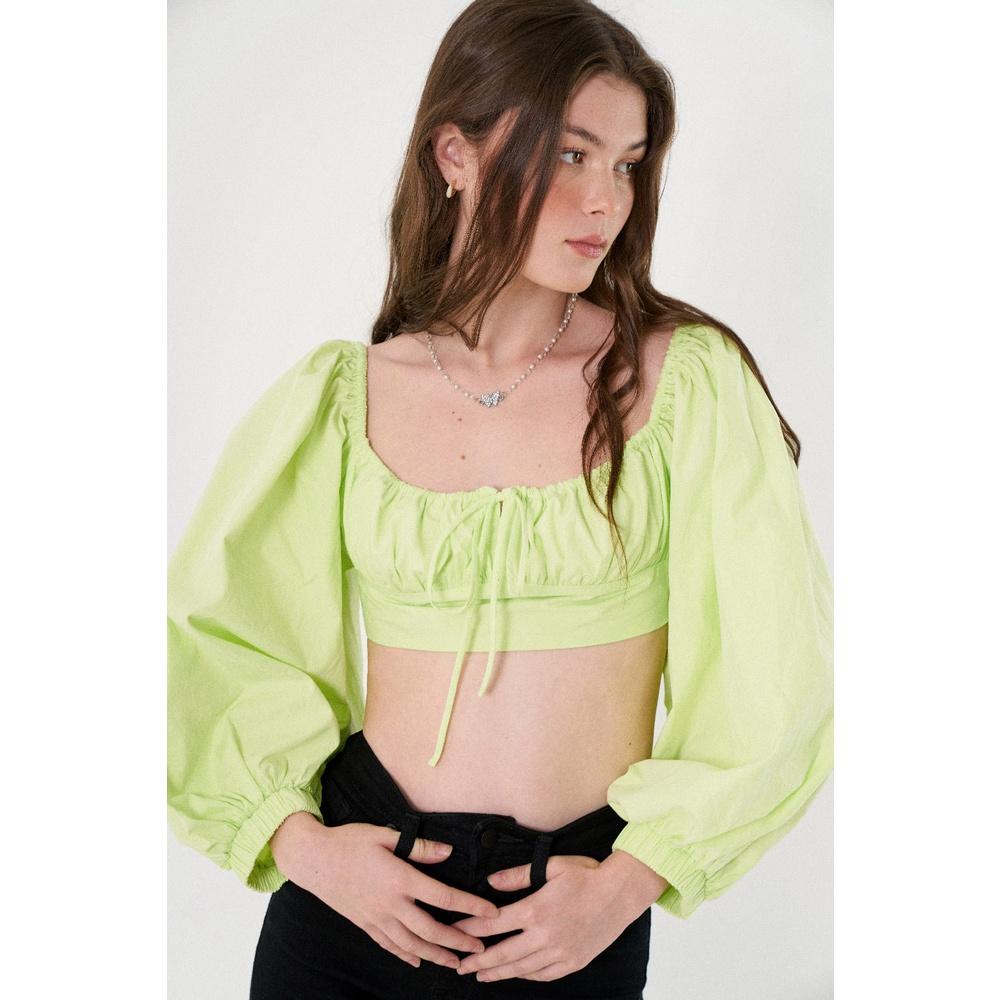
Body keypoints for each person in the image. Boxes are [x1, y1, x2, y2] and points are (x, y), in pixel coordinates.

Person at [167, 1, 833, 997]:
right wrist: (309, 850)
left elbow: (776, 673)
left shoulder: (681, 384)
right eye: (570, 154)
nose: (604, 200)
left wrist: (625, 886)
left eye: (627, 163)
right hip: (354, 908)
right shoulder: (346, 394)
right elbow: (213, 639)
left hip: (565, 916)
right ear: (456, 154)